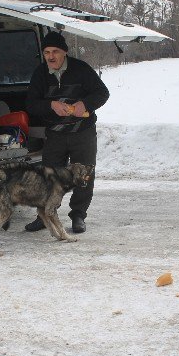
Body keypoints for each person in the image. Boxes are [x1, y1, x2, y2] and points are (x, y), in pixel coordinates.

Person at [25, 31, 110, 234]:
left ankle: (78, 215)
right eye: (47, 52)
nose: (51, 56)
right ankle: (44, 216)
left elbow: (102, 93)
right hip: (55, 134)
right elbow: (31, 104)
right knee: (49, 176)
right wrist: (50, 105)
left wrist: (85, 103)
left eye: (55, 51)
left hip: (83, 132)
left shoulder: (81, 69)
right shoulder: (40, 74)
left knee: (84, 174)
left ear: (64, 52)